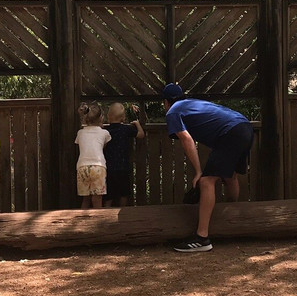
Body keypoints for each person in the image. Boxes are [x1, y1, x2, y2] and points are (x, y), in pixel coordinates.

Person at [161, 83, 254, 252]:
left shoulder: (173, 111)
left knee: (206, 181)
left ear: (166, 102)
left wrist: (198, 172)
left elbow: (186, 139)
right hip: (244, 126)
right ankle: (232, 219)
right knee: (230, 176)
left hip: (230, 132)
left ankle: (202, 238)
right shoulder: (192, 103)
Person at [103, 102, 145, 207]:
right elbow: (141, 134)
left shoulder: (105, 131)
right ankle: (123, 211)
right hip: (123, 167)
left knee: (109, 195)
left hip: (109, 167)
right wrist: (137, 124)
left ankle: (105, 211)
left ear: (108, 116)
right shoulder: (126, 129)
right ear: (123, 117)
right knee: (124, 194)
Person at [74, 102, 110, 209]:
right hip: (98, 167)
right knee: (97, 198)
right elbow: (103, 146)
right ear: (101, 118)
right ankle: (98, 218)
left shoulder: (80, 133)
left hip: (82, 167)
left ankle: (83, 217)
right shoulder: (104, 133)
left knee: (85, 199)